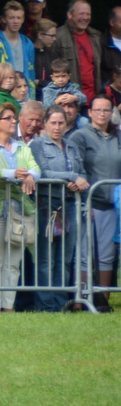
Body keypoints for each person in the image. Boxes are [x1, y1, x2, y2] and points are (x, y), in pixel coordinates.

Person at [29, 105, 87, 312]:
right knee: (46, 258)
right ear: (45, 124)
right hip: (47, 205)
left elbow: (84, 173)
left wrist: (79, 182)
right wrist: (71, 178)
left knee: (64, 258)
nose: (57, 127)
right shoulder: (38, 145)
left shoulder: (71, 146)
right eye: (53, 123)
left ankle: (60, 303)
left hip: (70, 204)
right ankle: (45, 304)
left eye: (61, 123)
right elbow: (43, 173)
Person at [0, 103, 36, 311]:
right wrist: (13, 174)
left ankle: (8, 306)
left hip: (20, 211)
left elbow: (36, 168)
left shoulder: (23, 147)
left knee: (13, 262)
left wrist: (30, 175)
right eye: (8, 118)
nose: (13, 121)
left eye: (14, 117)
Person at [69, 97, 119, 310]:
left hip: (114, 205)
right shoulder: (80, 136)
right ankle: (81, 301)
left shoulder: (118, 135)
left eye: (106, 110)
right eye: (98, 110)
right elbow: (76, 167)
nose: (102, 114)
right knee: (84, 254)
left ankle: (103, 300)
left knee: (107, 255)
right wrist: (85, 196)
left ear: (112, 112)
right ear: (89, 112)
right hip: (90, 202)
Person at [0, 0, 33, 81]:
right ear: (4, 19)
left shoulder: (28, 43)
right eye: (11, 18)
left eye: (18, 18)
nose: (15, 21)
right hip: (4, 90)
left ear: (23, 19)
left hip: (24, 89)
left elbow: (31, 72)